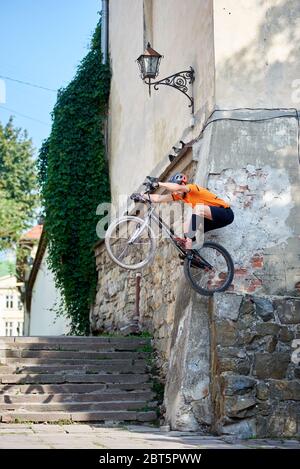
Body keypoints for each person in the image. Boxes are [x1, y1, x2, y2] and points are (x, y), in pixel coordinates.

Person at [139, 172, 234, 249]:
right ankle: (192, 255)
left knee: (198, 208)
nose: (176, 192)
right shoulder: (179, 194)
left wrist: (159, 184)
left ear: (183, 184)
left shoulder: (192, 188)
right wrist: (142, 195)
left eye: (177, 188)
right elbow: (159, 198)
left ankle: (189, 239)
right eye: (174, 191)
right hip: (213, 219)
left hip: (225, 213)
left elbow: (178, 188)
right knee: (186, 225)